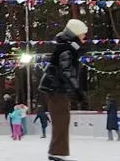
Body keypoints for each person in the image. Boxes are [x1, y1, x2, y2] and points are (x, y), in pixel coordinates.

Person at [38, 18, 88, 161]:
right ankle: (57, 153)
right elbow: (66, 72)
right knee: (61, 120)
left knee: (62, 120)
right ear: (76, 34)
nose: (84, 37)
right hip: (56, 90)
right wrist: (77, 90)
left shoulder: (67, 48)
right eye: (83, 34)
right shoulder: (67, 49)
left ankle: (57, 152)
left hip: (57, 89)